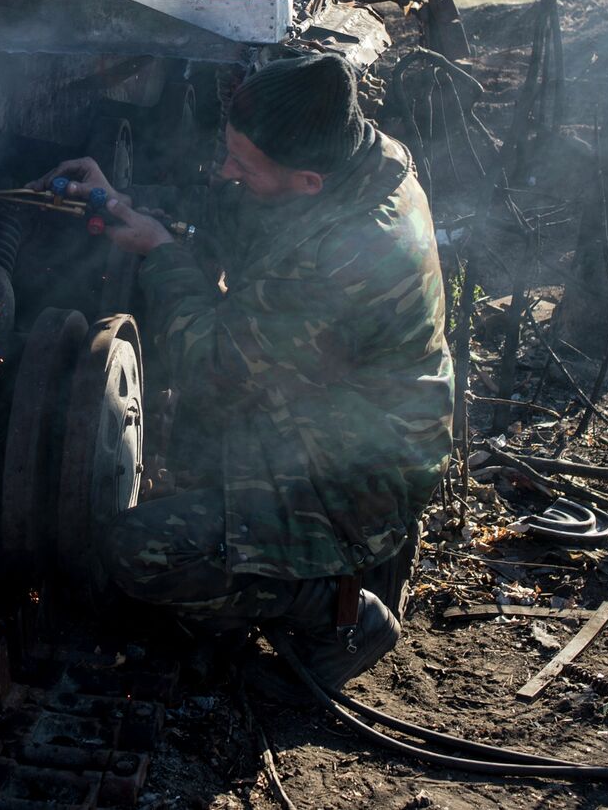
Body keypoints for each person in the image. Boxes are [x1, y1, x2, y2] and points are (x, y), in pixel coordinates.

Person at [32, 52, 452, 692]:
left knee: (140, 552)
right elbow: (251, 215)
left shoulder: (349, 258)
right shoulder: (358, 159)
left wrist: (163, 254)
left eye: (241, 163)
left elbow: (211, 363)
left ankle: (339, 612)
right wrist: (126, 201)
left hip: (355, 482)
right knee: (193, 458)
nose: (227, 170)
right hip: (335, 419)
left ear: (308, 180)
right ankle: (277, 577)